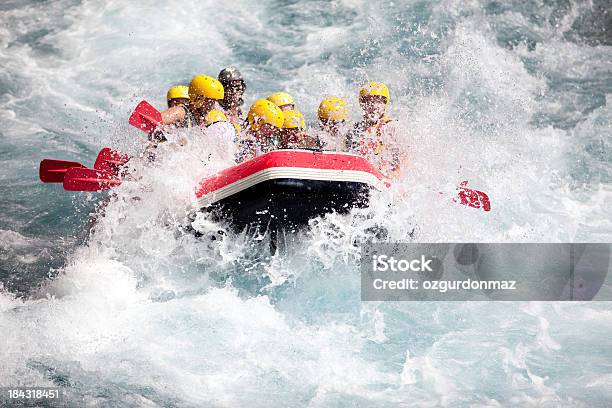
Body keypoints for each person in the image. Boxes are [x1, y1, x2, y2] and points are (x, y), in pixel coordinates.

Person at [348, 82, 401, 177]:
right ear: (362, 104)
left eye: (379, 101)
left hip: (386, 173)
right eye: (368, 101)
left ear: (385, 105)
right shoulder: (356, 129)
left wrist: (396, 173)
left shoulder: (391, 127)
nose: (374, 106)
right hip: (364, 174)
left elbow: (404, 155)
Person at [159, 75, 224, 127]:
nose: (212, 106)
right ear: (198, 98)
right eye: (210, 101)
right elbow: (157, 120)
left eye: (213, 102)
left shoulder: (202, 120)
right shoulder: (180, 112)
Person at [218, 66, 246, 133]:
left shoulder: (242, 113)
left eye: (237, 87)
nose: (234, 91)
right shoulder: (217, 110)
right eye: (230, 87)